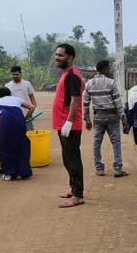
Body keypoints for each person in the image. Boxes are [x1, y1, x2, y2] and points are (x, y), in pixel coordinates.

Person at [51, 43, 86, 208]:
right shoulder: (66, 74)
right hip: (63, 124)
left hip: (69, 125)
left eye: (61, 55)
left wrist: (69, 122)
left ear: (70, 57)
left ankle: (78, 195)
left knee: (72, 159)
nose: (57, 58)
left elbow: (75, 100)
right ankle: (73, 188)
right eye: (56, 55)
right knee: (67, 158)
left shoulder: (72, 75)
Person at [83, 60, 129, 177]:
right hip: (112, 116)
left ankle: (99, 169)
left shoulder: (88, 84)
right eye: (108, 69)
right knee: (116, 142)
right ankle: (118, 169)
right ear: (104, 69)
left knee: (97, 142)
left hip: (98, 116)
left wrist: (87, 120)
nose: (109, 71)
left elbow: (86, 103)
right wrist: (123, 118)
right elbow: (118, 102)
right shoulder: (111, 83)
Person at [0, 87, 35, 181]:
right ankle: (21, 173)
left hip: (5, 124)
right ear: (10, 93)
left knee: (4, 147)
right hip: (19, 123)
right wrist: (25, 118)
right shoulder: (17, 99)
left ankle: (9, 174)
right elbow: (32, 107)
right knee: (21, 145)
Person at [6, 66, 37, 130]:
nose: (15, 76)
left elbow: (31, 96)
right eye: (13, 74)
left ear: (21, 74)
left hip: (27, 113)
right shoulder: (7, 85)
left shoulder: (27, 84)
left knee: (29, 130)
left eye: (17, 74)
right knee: (16, 131)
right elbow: (7, 100)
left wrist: (34, 109)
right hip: (14, 114)